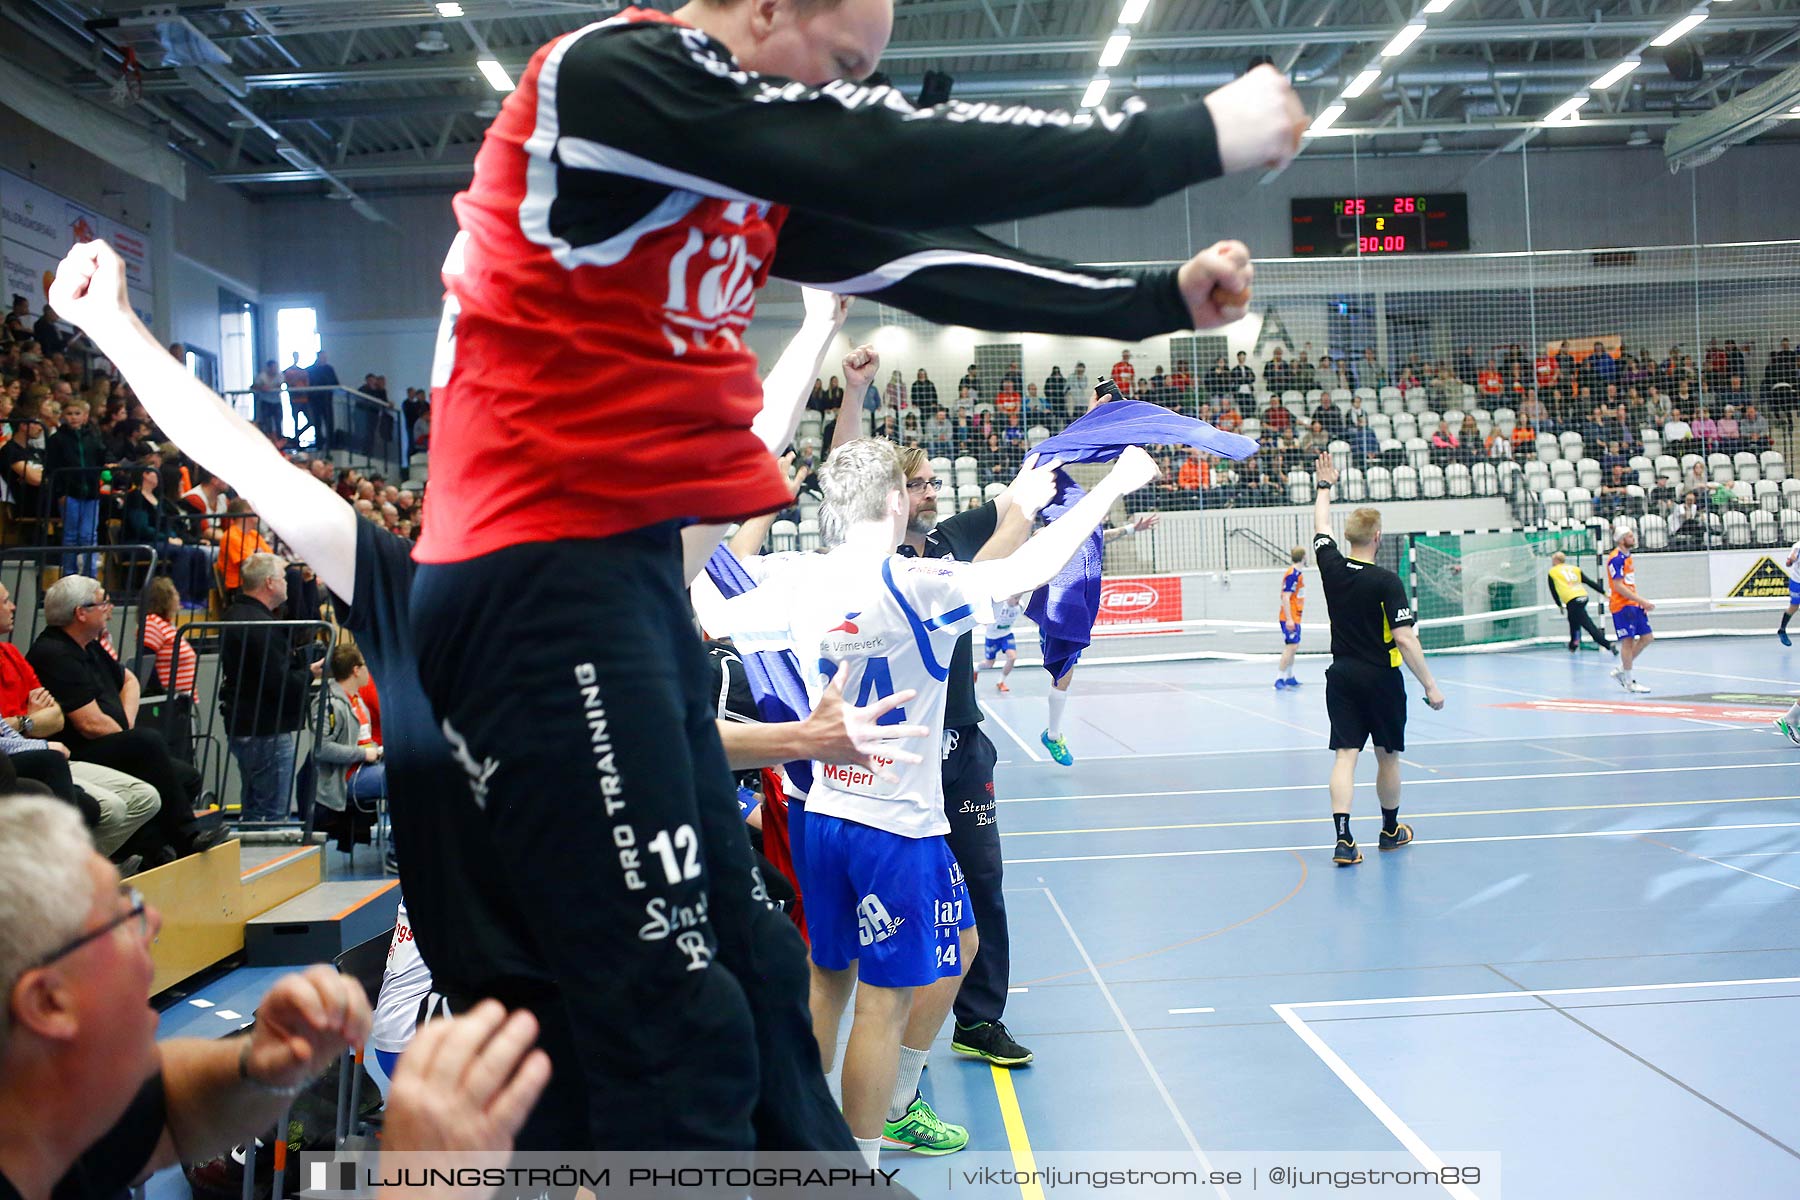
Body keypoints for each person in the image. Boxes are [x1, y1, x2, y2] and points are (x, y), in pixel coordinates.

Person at [411, 0, 1299, 1154]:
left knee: (758, 970)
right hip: (529, 577)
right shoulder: (615, 79)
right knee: (658, 1011)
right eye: (838, 66)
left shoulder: (735, 173)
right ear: (766, 9)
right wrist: (1191, 137)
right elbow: (887, 154)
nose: (841, 95)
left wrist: (1146, 302)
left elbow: (925, 257)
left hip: (619, 579)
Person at [49, 242, 907, 1160]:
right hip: (573, 1084)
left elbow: (749, 447)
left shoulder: (622, 571)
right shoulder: (411, 596)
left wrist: (816, 323)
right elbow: (246, 458)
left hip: (734, 1019)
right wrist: (116, 328)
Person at [694, 438, 1159, 1165]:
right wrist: (1111, 486)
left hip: (820, 814)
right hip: (893, 827)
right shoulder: (920, 584)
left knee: (829, 980)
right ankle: (861, 1162)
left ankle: (796, 1150)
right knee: (883, 1006)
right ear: (890, 502)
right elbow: (1031, 567)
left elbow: (703, 590)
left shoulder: (788, 579)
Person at [0, 797, 550, 1200]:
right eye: (123, 917)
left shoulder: (56, 1110)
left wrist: (264, 1065)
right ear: (48, 1003)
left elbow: (166, 1111)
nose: (155, 923)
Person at [27, 575, 223, 863]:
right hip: (76, 750)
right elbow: (89, 724)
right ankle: (185, 838)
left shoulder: (88, 645)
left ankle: (152, 849)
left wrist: (126, 728)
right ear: (81, 613)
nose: (110, 607)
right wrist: (128, 737)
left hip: (107, 740)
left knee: (187, 778)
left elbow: (129, 680)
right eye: (103, 601)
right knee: (146, 743)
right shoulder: (53, 653)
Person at [1309, 451, 1444, 867]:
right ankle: (1389, 831)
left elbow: (1320, 526)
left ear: (1349, 538)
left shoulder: (1330, 565)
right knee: (1387, 756)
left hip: (1343, 675)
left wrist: (1324, 486)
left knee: (1345, 756)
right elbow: (1404, 638)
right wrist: (1430, 685)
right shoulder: (1386, 581)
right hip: (1382, 680)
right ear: (1378, 537)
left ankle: (1344, 840)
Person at [1039, 512, 1158, 766]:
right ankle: (1052, 734)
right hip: (1057, 608)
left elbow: (1105, 536)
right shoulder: (1053, 534)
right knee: (1063, 674)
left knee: (1063, 676)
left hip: (1076, 610)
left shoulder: (1087, 534)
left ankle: (1052, 733)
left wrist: (1131, 529)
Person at [219, 553, 319, 823]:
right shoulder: (261, 624)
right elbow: (278, 682)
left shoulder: (236, 614)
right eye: (284, 578)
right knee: (272, 814)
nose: (288, 583)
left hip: (246, 723)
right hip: (266, 728)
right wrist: (309, 673)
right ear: (270, 583)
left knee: (254, 808)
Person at [1606, 529, 1654, 693]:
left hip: (1632, 603)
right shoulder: (1616, 559)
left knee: (1647, 637)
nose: (1633, 538)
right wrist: (1642, 601)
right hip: (1622, 605)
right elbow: (1618, 586)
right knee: (1628, 641)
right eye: (1630, 536)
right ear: (1621, 540)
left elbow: (1629, 584)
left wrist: (1638, 601)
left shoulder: (1628, 557)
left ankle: (1622, 669)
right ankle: (1629, 681)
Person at [1546, 550, 1617, 655]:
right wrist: (1604, 592)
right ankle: (1573, 645)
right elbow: (1589, 582)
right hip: (1582, 596)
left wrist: (1559, 605)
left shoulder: (1553, 572)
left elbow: (1554, 591)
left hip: (1572, 599)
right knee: (1573, 620)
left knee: (1587, 624)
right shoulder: (1574, 569)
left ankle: (1607, 644)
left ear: (1556, 560)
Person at [1275, 545, 1305, 689]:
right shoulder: (1292, 574)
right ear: (1303, 557)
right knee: (1290, 646)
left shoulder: (1297, 573)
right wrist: (1289, 619)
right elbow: (1285, 597)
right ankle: (1279, 679)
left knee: (1294, 647)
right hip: (1290, 617)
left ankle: (1290, 676)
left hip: (1295, 616)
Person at [979, 595, 1022, 693]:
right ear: (1008, 597)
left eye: (1019, 598)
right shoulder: (999, 605)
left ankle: (1001, 682)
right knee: (989, 664)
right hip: (992, 637)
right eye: (1015, 598)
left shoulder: (1020, 606)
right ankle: (976, 669)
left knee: (1012, 657)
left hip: (1006, 635)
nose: (1017, 601)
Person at [1779, 537, 1800, 647]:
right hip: (1797, 581)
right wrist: (1791, 560)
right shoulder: (1797, 547)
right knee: (1794, 606)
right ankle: (1782, 630)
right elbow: (1788, 563)